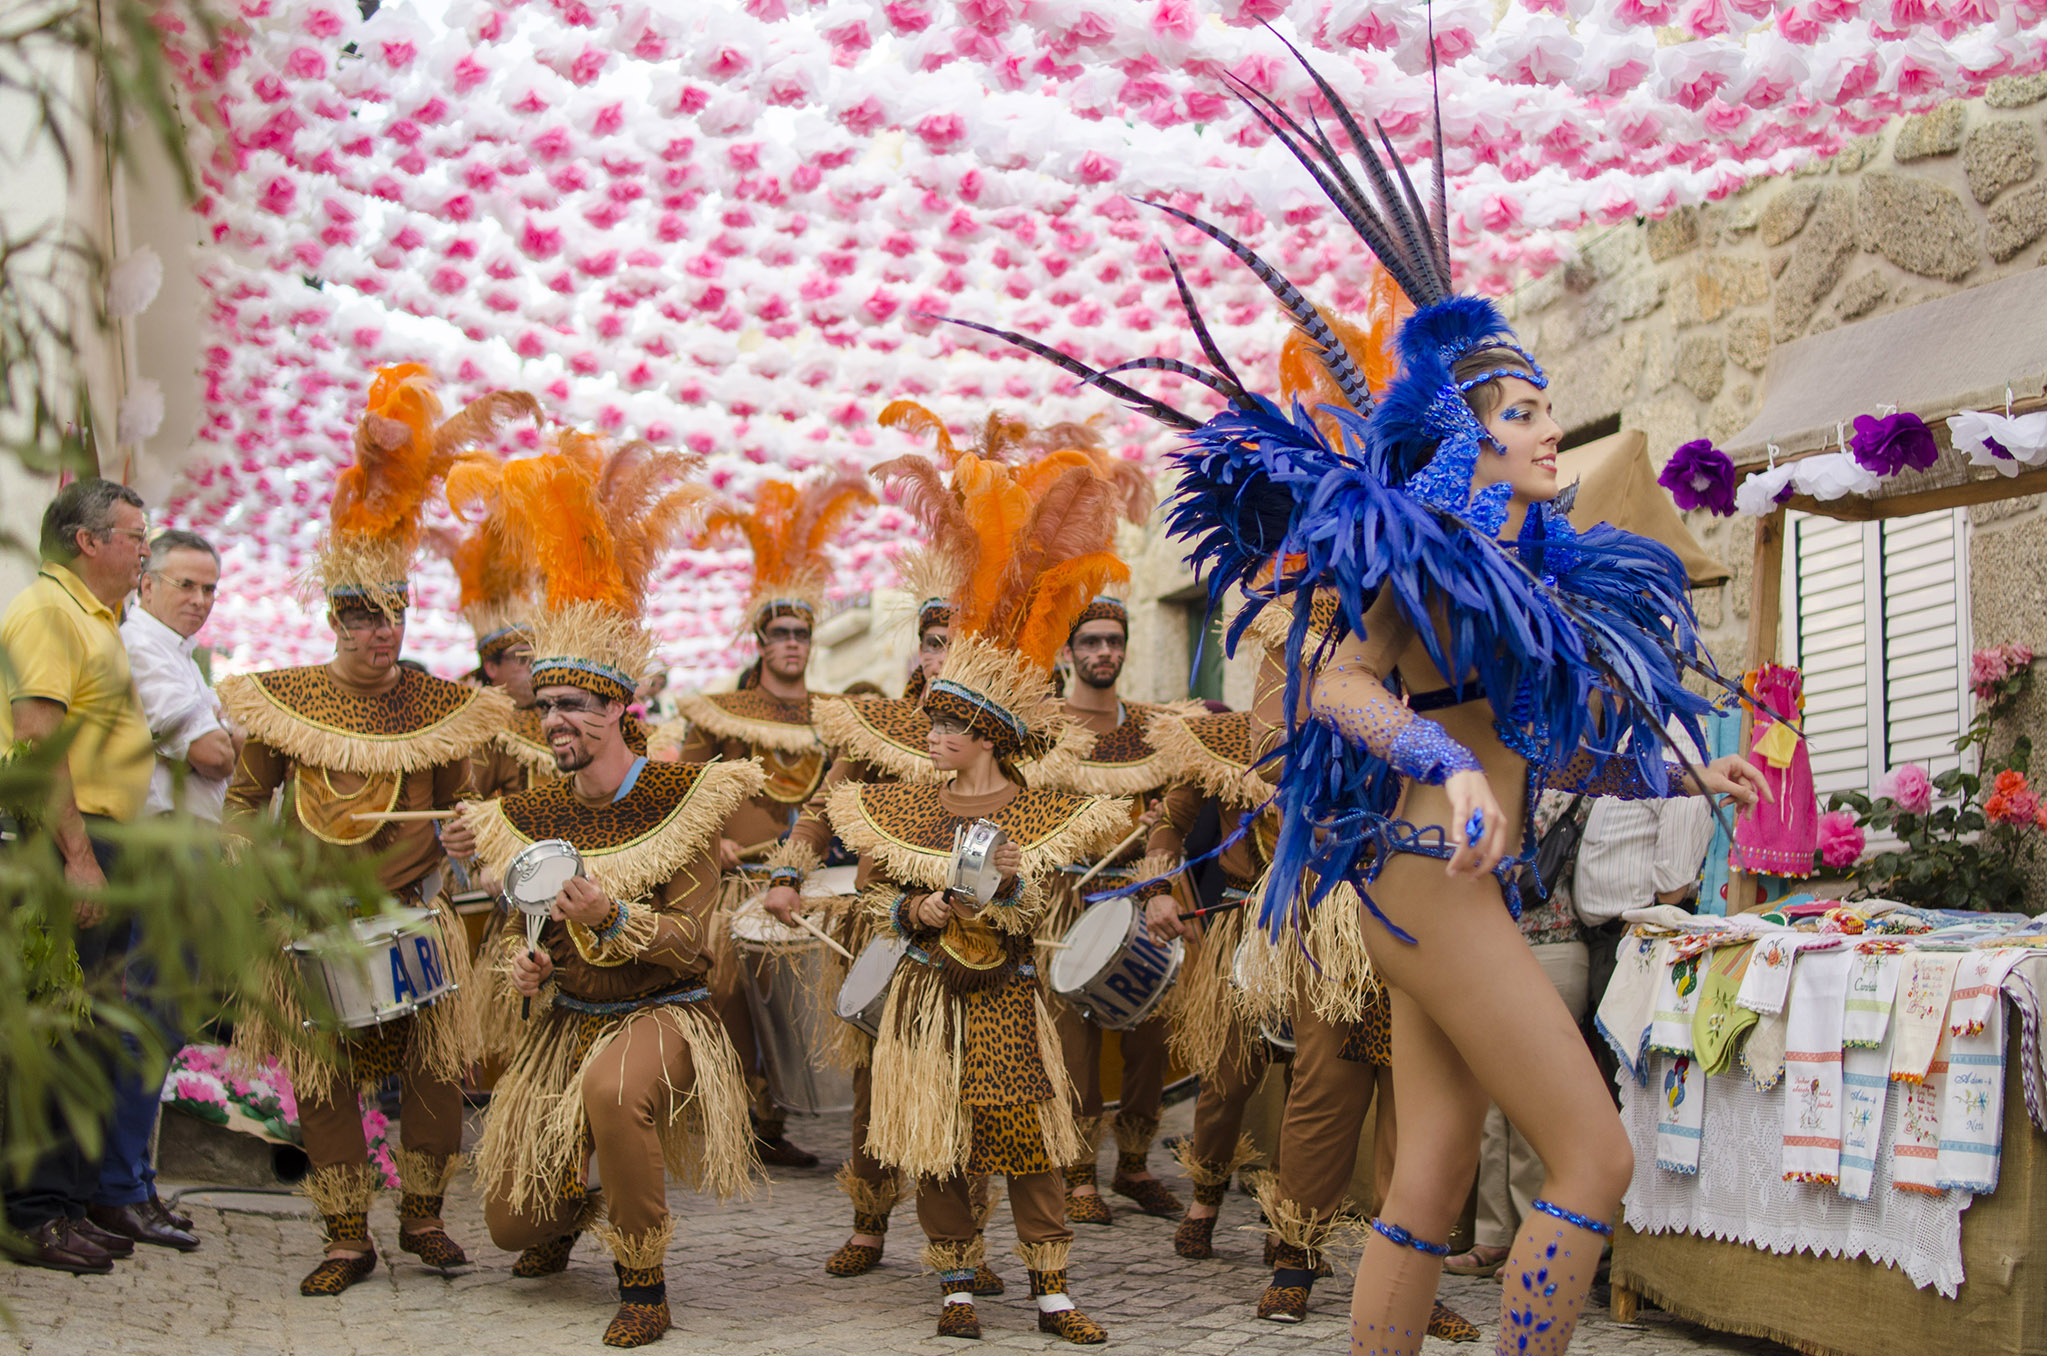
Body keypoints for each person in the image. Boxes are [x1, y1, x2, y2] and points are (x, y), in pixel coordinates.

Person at [963, 45, 1767, 1356]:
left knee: (1428, 1175)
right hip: (1422, 881)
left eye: (1546, 405)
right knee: (1592, 1159)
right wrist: (1433, 765)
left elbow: (1543, 750)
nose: (1547, 426)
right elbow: (1332, 684)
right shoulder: (1423, 566)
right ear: (1466, 439)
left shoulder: (1522, 580)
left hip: (1441, 888)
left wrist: (1681, 775)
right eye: (1519, 412)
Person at [221, 366, 522, 1296]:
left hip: (411, 917)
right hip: (308, 917)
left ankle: (425, 1218)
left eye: (389, 615)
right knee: (324, 1083)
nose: (375, 632)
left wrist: (472, 835)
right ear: (333, 618)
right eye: (358, 616)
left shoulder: (442, 708)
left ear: (404, 618)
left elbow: (468, 803)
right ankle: (346, 1237)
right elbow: (241, 802)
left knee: (433, 1078)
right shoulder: (285, 703)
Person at [826, 453, 1130, 1343]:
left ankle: (1051, 1290)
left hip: (1002, 997)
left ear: (987, 734)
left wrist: (1000, 894)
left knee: (1025, 1141)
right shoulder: (900, 806)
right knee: (937, 1147)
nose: (931, 733)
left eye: (948, 725)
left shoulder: (1033, 809)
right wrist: (908, 914)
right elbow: (874, 898)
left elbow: (1042, 910)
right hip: (924, 996)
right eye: (932, 721)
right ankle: (955, 1278)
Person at [460, 434, 752, 1350]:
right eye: (546, 708)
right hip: (569, 1012)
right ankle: (583, 1202)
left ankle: (642, 1280)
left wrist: (617, 915)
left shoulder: (685, 798)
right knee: (512, 1222)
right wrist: (531, 961)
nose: (555, 723)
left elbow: (699, 946)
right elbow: (530, 927)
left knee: (613, 1092)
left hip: (664, 1008)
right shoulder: (535, 808)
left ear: (620, 710)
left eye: (575, 707)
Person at [662, 472, 874, 1169]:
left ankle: (798, 1110)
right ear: (760, 639)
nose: (792, 643)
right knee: (725, 996)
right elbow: (681, 789)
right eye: (780, 632)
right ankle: (738, 1118)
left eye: (802, 633)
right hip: (734, 881)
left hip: (812, 880)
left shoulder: (836, 714)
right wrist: (707, 841)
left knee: (816, 995)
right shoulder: (716, 710)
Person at [0, 477, 156, 1274]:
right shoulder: (48, 612)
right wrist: (79, 856)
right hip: (67, 842)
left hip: (103, 839)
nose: (143, 550)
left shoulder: (95, 617)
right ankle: (31, 1212)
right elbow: (37, 742)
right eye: (133, 535)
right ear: (85, 541)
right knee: (55, 1031)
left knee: (85, 1032)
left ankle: (62, 1201)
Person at [94, 526, 236, 1254]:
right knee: (145, 1024)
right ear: (146, 580)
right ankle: (118, 1189)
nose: (200, 600)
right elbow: (213, 752)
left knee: (161, 1023)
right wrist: (224, 740)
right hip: (157, 860)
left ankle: (134, 1181)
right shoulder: (143, 649)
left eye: (210, 587)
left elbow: (216, 754)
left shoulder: (174, 655)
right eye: (186, 583)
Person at [1036, 594, 1189, 1224]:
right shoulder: (1043, 726)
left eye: (1114, 641)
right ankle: (1078, 1175)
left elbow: (1174, 815)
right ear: (1069, 652)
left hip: (1140, 894)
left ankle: (1133, 1165)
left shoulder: (1156, 726)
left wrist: (1158, 849)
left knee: (1149, 1033)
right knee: (1074, 1041)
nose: (1104, 652)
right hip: (1066, 898)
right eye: (1092, 641)